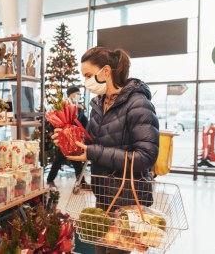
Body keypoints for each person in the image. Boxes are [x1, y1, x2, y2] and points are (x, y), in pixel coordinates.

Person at [53, 47, 159, 254]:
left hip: (128, 199)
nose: (85, 82)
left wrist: (94, 152)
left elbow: (146, 156)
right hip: (104, 194)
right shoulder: (99, 105)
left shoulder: (138, 104)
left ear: (106, 72)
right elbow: (94, 141)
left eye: (89, 75)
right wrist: (68, 139)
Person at [46, 86, 89, 188]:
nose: (78, 96)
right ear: (70, 95)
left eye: (79, 94)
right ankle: (50, 179)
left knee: (76, 161)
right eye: (76, 94)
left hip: (75, 139)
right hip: (65, 138)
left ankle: (81, 182)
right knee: (58, 161)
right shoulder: (63, 107)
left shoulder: (78, 108)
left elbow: (83, 123)